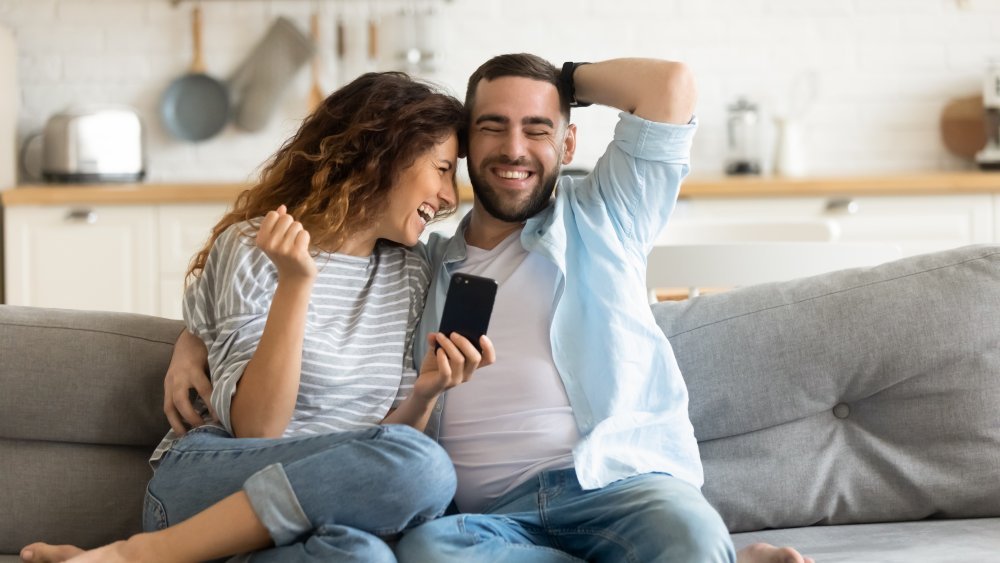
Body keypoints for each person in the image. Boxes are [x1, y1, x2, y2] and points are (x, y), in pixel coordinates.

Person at [158, 54, 812, 563]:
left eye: (538, 129)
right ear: (466, 145)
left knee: (687, 531)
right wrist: (194, 338)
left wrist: (559, 80)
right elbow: (274, 300)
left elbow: (670, 85)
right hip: (484, 515)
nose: (515, 147)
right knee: (426, 547)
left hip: (614, 486)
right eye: (492, 127)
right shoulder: (423, 263)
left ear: (569, 143)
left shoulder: (604, 216)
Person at [20, 71, 494, 563]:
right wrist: (295, 284)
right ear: (384, 150)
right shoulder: (253, 246)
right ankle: (138, 555)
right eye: (442, 168)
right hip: (211, 484)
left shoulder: (410, 270)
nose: (448, 196)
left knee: (364, 555)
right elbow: (259, 428)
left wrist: (425, 393)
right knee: (427, 470)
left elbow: (385, 447)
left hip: (329, 513)